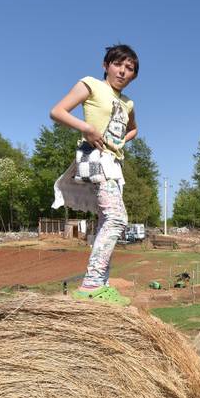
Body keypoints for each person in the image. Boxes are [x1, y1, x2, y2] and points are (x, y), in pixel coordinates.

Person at [50, 44, 139, 305]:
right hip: (95, 159)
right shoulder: (91, 84)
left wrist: (120, 142)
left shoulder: (128, 103)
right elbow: (57, 112)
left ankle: (102, 285)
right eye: (118, 64)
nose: (123, 71)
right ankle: (91, 284)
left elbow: (133, 130)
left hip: (114, 165)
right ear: (106, 65)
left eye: (130, 68)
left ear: (134, 75)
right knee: (117, 219)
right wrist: (87, 129)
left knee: (105, 222)